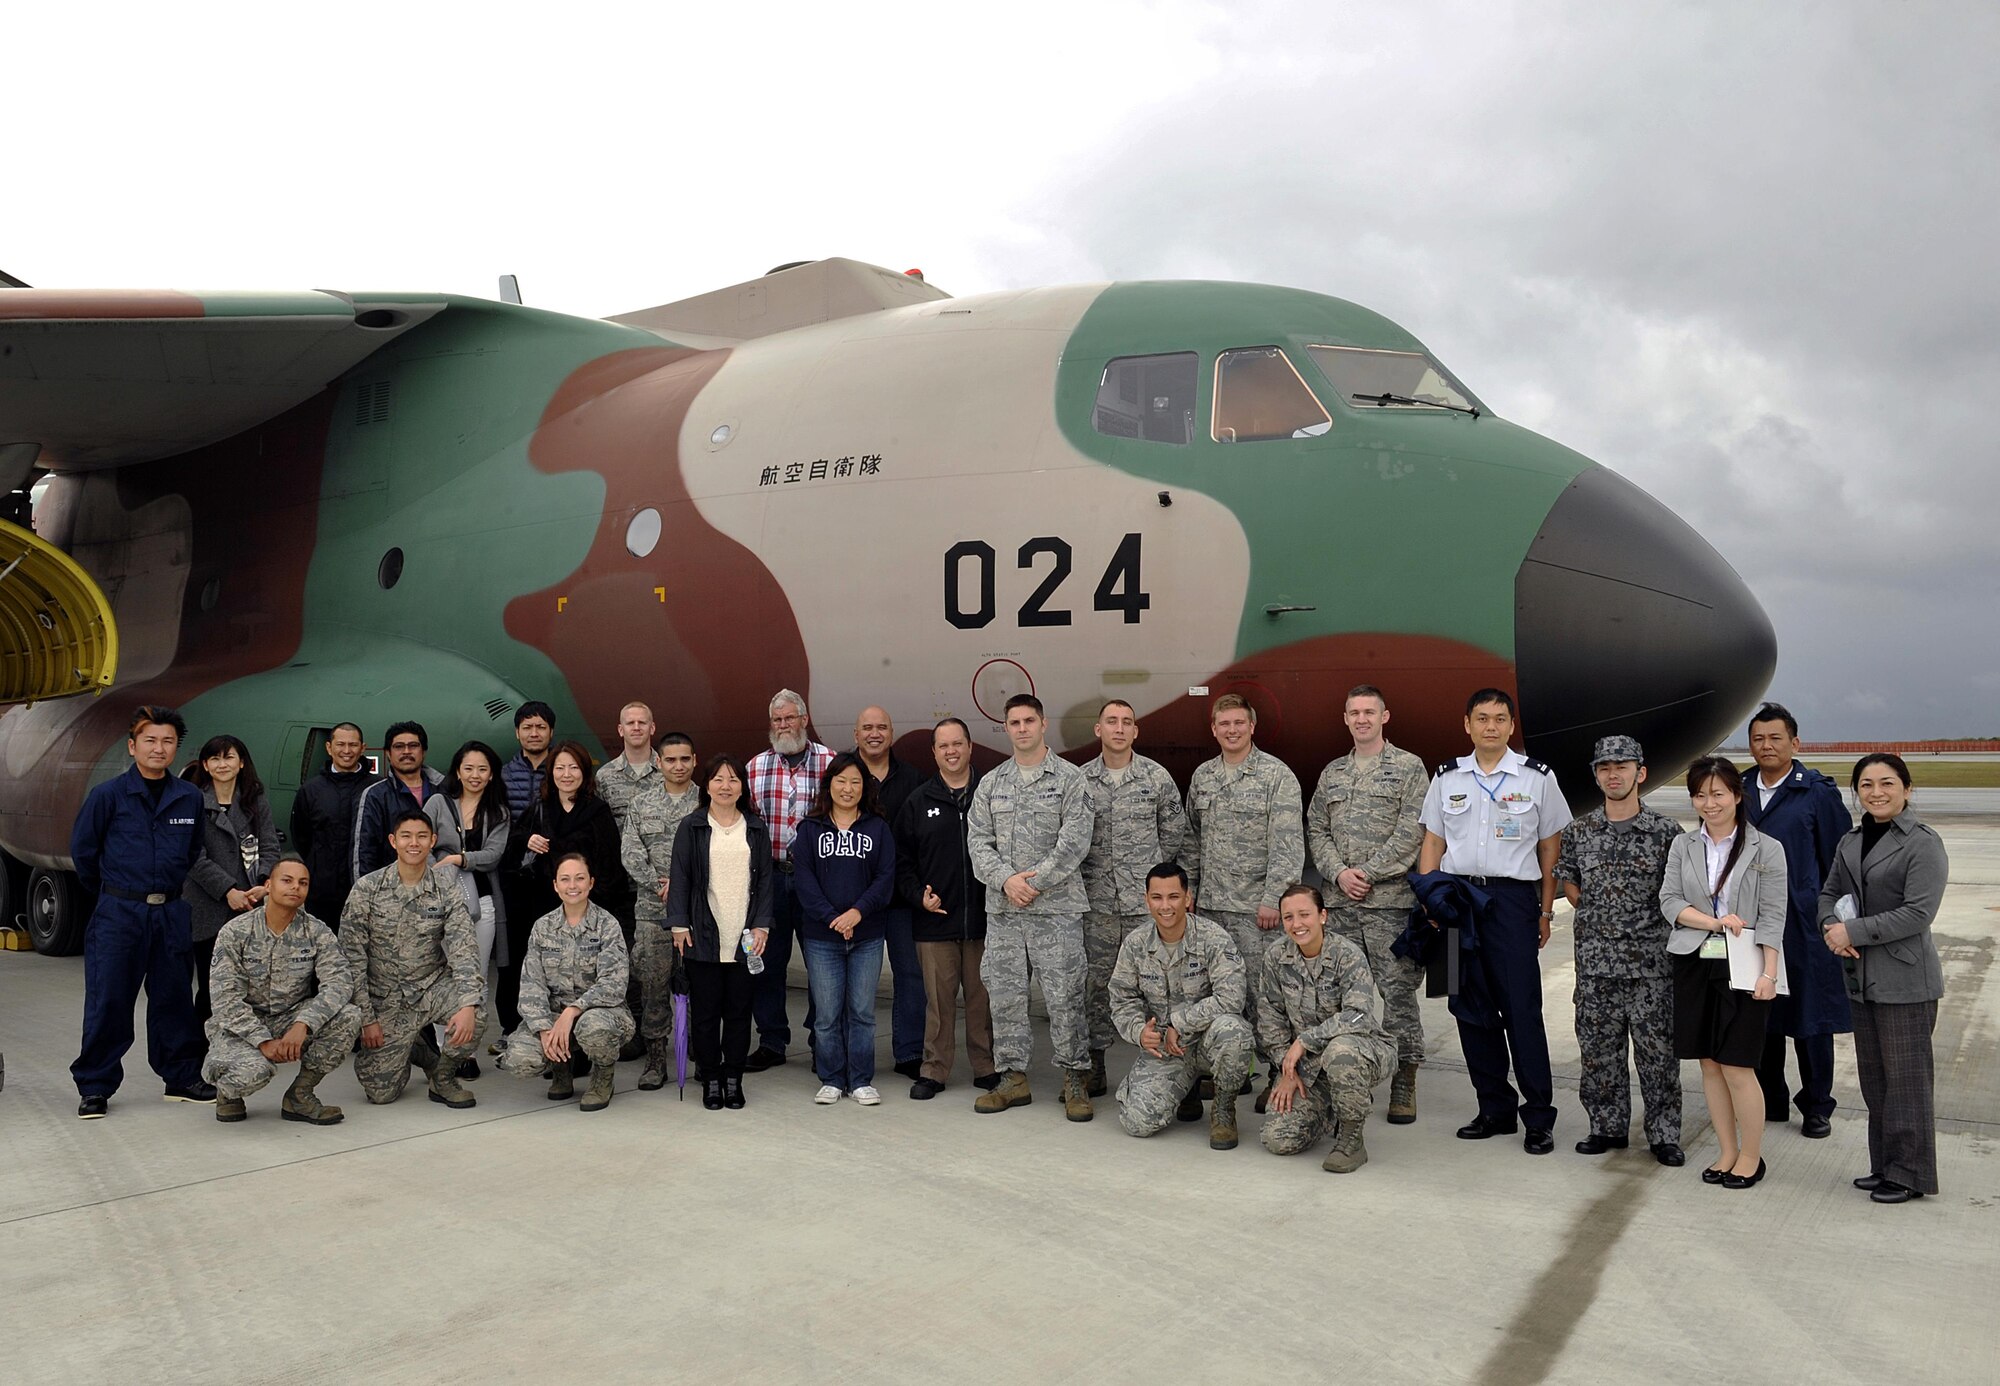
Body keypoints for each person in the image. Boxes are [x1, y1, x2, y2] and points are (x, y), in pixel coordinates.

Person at [1416, 688, 1573, 1154]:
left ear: (1510, 725)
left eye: (1499, 719)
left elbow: (1551, 849)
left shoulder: (1538, 777)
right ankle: (1494, 1109)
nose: (1490, 726)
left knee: (1521, 1009)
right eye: (1481, 718)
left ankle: (1539, 1117)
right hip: (1455, 897)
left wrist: (1546, 910)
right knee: (1464, 1006)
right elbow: (1431, 844)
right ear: (1467, 724)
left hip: (1512, 901)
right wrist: (1430, 904)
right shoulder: (1446, 777)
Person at [70, 706, 217, 1117]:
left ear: (175, 748)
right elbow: (84, 854)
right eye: (150, 740)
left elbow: (191, 852)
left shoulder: (188, 797)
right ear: (133, 746)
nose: (159, 748)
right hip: (119, 913)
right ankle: (95, 1085)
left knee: (173, 999)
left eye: (167, 741)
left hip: (170, 912)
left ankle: (181, 1077)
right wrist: (115, 895)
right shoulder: (107, 796)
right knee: (109, 999)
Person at [1818, 754, 1949, 1204]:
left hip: (1905, 980)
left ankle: (1911, 1174)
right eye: (1867, 784)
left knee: (1907, 1081)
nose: (1876, 792)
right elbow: (1829, 893)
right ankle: (1885, 1165)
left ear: (1907, 789)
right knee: (1876, 1081)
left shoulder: (1922, 843)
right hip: (1860, 977)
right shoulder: (1851, 841)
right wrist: (1827, 930)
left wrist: (1850, 931)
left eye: (1887, 783)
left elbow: (1918, 912)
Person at [1554, 735, 1685, 1165]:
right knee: (1598, 1053)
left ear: (1640, 773)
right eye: (1605, 767)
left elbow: (1682, 891)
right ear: (1596, 775)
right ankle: (1606, 1127)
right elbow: (1568, 879)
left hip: (1651, 967)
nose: (1614, 774)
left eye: (1622, 766)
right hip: (1596, 966)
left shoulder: (1667, 833)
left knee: (1657, 1056)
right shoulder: (1579, 831)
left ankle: (1664, 1134)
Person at [1660, 757, 1788, 1190]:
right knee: (1710, 1065)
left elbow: (1773, 916)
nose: (1708, 803)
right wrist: (1711, 922)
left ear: (1736, 795)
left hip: (1745, 964)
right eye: (1700, 795)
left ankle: (1752, 1156)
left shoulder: (1766, 848)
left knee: (1738, 1065)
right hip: (1695, 959)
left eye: (1717, 793)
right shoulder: (1684, 845)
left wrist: (1769, 974)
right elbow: (1670, 901)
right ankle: (1727, 1152)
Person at [967, 693, 1096, 1120]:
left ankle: (1075, 1077)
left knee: (1065, 997)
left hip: (1056, 911)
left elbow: (1075, 841)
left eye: (1029, 721)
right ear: (1006, 728)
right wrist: (1006, 880)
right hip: (1005, 913)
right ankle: (1012, 1078)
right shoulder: (992, 783)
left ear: (1043, 724)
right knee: (1005, 998)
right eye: (1014, 722)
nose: (1022, 728)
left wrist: (1033, 883)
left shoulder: (1071, 779)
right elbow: (977, 841)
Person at [1304, 685, 1429, 1122]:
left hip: (1389, 905)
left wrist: (1369, 873)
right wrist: (1339, 873)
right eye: (1354, 712)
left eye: (1369, 712)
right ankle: (1341, 1076)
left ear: (1384, 716)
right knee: (1336, 998)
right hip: (1339, 906)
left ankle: (1403, 1079)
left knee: (1396, 996)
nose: (1361, 719)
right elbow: (1316, 828)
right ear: (1345, 719)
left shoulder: (1409, 768)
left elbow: (1413, 831)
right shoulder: (1333, 772)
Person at [1183, 692, 1305, 1112]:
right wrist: (1190, 893)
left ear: (1252, 727)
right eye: (1224, 724)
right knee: (1211, 993)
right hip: (1212, 910)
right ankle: (1218, 1071)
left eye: (1239, 722)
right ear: (1214, 729)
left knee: (1266, 997)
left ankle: (1278, 1072)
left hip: (1259, 913)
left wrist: (1274, 900)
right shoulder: (1203, 777)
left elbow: (1288, 846)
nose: (1231, 730)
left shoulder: (1276, 776)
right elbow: (1192, 840)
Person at [1743, 702, 1853, 1138]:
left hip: (1804, 925)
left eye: (1775, 737)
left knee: (1811, 1020)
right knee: (1760, 1016)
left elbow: (1838, 862)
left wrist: (1833, 921)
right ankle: (1770, 1099)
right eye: (1758, 738)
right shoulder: (1739, 788)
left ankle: (1817, 1105)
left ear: (1795, 742)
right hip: (1752, 923)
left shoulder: (1817, 793)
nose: (1766, 745)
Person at [1079, 698, 1188, 1098]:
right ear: (1099, 730)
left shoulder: (1156, 778)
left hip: (1147, 908)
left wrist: (1156, 882)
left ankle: (1173, 1064)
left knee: (1162, 985)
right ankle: (1094, 1063)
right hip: (1098, 905)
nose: (1119, 728)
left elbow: (1174, 831)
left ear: (1135, 731)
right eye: (1112, 721)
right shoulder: (1081, 781)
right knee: (1096, 985)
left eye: (1127, 721)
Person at [202, 855, 361, 1125]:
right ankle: (228, 1094)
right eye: (286, 880)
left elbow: (339, 982)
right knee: (255, 1072)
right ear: (269, 885)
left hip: (290, 1018)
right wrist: (262, 1041)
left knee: (349, 1015)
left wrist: (304, 1025)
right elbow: (225, 999)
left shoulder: (316, 931)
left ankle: (300, 1095)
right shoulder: (236, 931)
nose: (295, 888)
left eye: (303, 883)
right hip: (241, 1026)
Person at [341, 809, 484, 1109]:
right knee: (380, 1092)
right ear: (393, 841)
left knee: (477, 1013)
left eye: (422, 836)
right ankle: (417, 1046)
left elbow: (464, 947)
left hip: (431, 986)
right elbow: (351, 959)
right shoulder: (367, 889)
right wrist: (367, 1020)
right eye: (406, 836)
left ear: (433, 840)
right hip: (385, 998)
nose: (414, 843)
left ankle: (443, 1077)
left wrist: (468, 1003)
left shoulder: (445, 888)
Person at [1108, 863, 1253, 1149]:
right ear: (1147, 900)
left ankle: (1223, 1109)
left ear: (1188, 898)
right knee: (1137, 1123)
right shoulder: (1136, 944)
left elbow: (1232, 997)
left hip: (1208, 1040)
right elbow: (1121, 998)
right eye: (1157, 898)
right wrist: (1139, 1032)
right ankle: (1185, 1089)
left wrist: (1180, 1022)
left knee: (1234, 1031)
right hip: (1167, 1048)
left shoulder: (1213, 938)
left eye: (1174, 897)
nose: (1165, 906)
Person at [1257, 884, 1398, 1172]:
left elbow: (1358, 1015)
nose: (1296, 924)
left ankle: (1351, 1139)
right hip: (1307, 1066)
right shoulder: (1275, 957)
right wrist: (1287, 1070)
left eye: (1304, 914)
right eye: (1288, 917)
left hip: (1361, 1051)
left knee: (1340, 1050)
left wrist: (1305, 1041)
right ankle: (1334, 1107)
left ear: (1323, 916)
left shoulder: (1348, 955)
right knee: (1278, 1139)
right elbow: (1269, 1016)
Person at [893, 718, 996, 1100]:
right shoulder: (918, 802)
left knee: (982, 1000)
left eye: (958, 744)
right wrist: (918, 894)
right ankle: (934, 1070)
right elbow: (901, 861)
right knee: (937, 1004)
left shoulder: (991, 793)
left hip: (985, 920)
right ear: (934, 752)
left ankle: (986, 1066)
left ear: (970, 747)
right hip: (934, 924)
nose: (951, 751)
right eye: (943, 746)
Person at [666, 754, 775, 1110]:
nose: (725, 786)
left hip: (744, 939)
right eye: (718, 779)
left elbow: (765, 883)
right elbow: (680, 878)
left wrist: (761, 925)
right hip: (703, 935)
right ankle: (710, 1080)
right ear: (707, 785)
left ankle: (733, 1079)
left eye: (732, 779)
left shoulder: (756, 828)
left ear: (742, 787)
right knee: (707, 1014)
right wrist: (679, 924)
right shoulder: (692, 826)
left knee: (740, 1014)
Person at [793, 753, 897, 1105]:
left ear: (864, 787)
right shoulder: (809, 829)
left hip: (867, 935)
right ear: (829, 785)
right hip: (822, 937)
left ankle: (861, 1079)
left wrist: (856, 914)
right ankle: (832, 1078)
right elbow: (804, 881)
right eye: (841, 781)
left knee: (862, 1012)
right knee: (826, 1014)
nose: (848, 788)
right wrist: (833, 919)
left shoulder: (877, 828)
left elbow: (885, 879)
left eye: (855, 781)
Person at [498, 853, 635, 1112]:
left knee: (594, 1028)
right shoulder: (542, 927)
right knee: (519, 1059)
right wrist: (543, 1029)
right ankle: (561, 1068)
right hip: (553, 1016)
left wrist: (572, 1011)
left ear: (591, 883)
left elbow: (613, 985)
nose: (573, 886)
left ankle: (602, 1078)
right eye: (565, 879)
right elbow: (531, 984)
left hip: (601, 1014)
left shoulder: (607, 925)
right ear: (555, 885)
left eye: (580, 878)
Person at [742, 688, 834, 1070]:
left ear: (804, 719)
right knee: (768, 963)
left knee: (821, 965)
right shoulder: (754, 768)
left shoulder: (832, 763)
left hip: (818, 881)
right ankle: (772, 1041)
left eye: (790, 718)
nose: (783, 725)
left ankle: (821, 1042)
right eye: (777, 720)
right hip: (771, 880)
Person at [180, 733, 282, 1029]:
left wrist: (263, 883)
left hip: (251, 903)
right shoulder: (194, 802)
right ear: (206, 765)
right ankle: (206, 1050)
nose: (222, 764)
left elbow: (270, 844)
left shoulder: (255, 799)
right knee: (212, 987)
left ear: (241, 763)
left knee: (249, 985)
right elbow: (193, 857)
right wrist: (228, 890)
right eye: (215, 758)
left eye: (229, 757)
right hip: (208, 906)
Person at [621, 732, 702, 1089]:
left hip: (700, 912)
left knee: (701, 984)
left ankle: (700, 1053)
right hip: (653, 913)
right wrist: (659, 884)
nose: (678, 766)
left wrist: (685, 886)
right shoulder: (641, 804)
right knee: (653, 984)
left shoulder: (708, 800)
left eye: (685, 759)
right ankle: (656, 1059)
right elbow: (631, 852)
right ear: (659, 762)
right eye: (670, 760)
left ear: (695, 761)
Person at [426, 740, 511, 1078]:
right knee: (443, 973)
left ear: (491, 775)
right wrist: (441, 868)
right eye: (469, 768)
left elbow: (494, 854)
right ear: (457, 771)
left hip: (484, 903)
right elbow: (421, 842)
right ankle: (445, 1049)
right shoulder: (437, 803)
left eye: (482, 769)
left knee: (475, 976)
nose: (475, 775)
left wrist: (460, 859)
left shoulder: (499, 811)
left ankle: (468, 1051)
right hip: (441, 903)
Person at [853, 705, 927, 1083]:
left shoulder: (913, 779)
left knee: (910, 975)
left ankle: (909, 1051)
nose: (875, 733)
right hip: (853, 901)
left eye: (882, 727)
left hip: (898, 898)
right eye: (867, 728)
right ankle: (842, 1052)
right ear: (856, 735)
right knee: (851, 982)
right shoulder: (842, 775)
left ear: (892, 733)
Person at [517, 741, 629, 943]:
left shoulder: (598, 811)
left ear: (584, 771)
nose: (566, 774)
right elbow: (513, 841)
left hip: (590, 907)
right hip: (545, 907)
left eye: (574, 767)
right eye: (560, 768)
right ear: (551, 772)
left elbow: (611, 866)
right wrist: (528, 839)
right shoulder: (540, 807)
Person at [496, 700, 557, 1039]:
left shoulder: (563, 769)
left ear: (551, 732)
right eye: (527, 727)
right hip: (514, 880)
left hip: (553, 881)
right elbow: (497, 829)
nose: (534, 733)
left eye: (541, 727)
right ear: (517, 732)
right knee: (513, 953)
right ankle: (510, 1025)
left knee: (551, 954)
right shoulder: (503, 776)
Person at [287, 721, 377, 930]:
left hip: (367, 890)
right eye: (341, 744)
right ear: (329, 748)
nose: (347, 751)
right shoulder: (311, 790)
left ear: (363, 748)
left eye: (353, 745)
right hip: (322, 893)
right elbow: (301, 836)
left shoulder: (376, 788)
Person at [352, 721, 444, 879]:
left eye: (413, 745)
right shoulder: (375, 796)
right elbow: (364, 853)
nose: (406, 752)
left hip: (440, 889)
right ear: (388, 753)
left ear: (424, 751)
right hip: (392, 893)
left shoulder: (444, 790)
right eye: (399, 746)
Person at [594, 700, 659, 829]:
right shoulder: (604, 776)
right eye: (630, 723)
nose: (636, 728)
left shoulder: (668, 771)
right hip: (618, 848)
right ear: (621, 730)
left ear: (652, 728)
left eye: (642, 723)